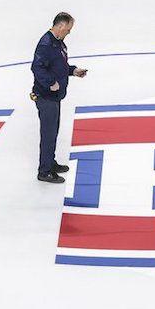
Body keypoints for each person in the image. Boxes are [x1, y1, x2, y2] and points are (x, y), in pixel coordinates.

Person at [31, 12, 87, 184]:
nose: (69, 32)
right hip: (46, 97)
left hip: (55, 97)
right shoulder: (46, 44)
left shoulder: (58, 42)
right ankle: (44, 171)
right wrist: (50, 83)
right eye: (68, 29)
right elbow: (37, 68)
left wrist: (73, 71)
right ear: (61, 26)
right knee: (48, 134)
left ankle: (50, 163)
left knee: (53, 132)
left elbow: (59, 66)